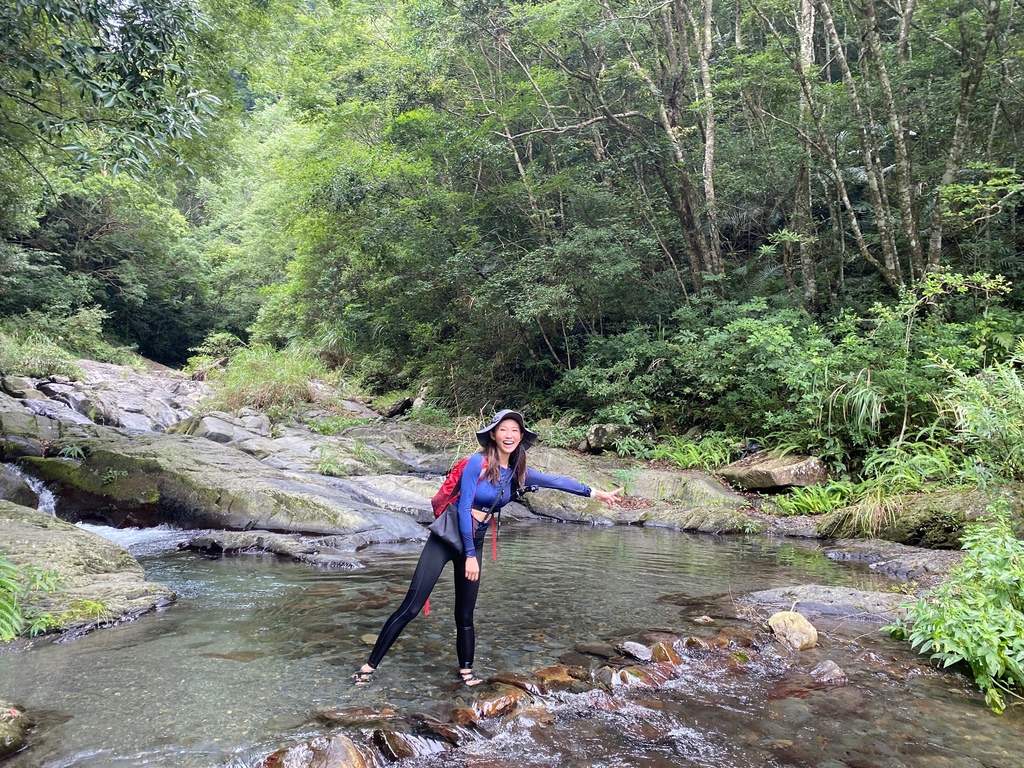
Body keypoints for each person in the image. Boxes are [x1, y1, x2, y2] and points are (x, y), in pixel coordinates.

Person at [353, 409, 622, 687]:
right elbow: (464, 506)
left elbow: (556, 482)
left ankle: (466, 672)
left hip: (476, 539)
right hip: (447, 539)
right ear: (493, 434)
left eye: (515, 431)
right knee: (411, 607)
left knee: (466, 613)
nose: (509, 435)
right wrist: (469, 556)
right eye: (503, 429)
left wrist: (594, 492)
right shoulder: (476, 463)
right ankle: (369, 666)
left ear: (521, 437)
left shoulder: (517, 473)